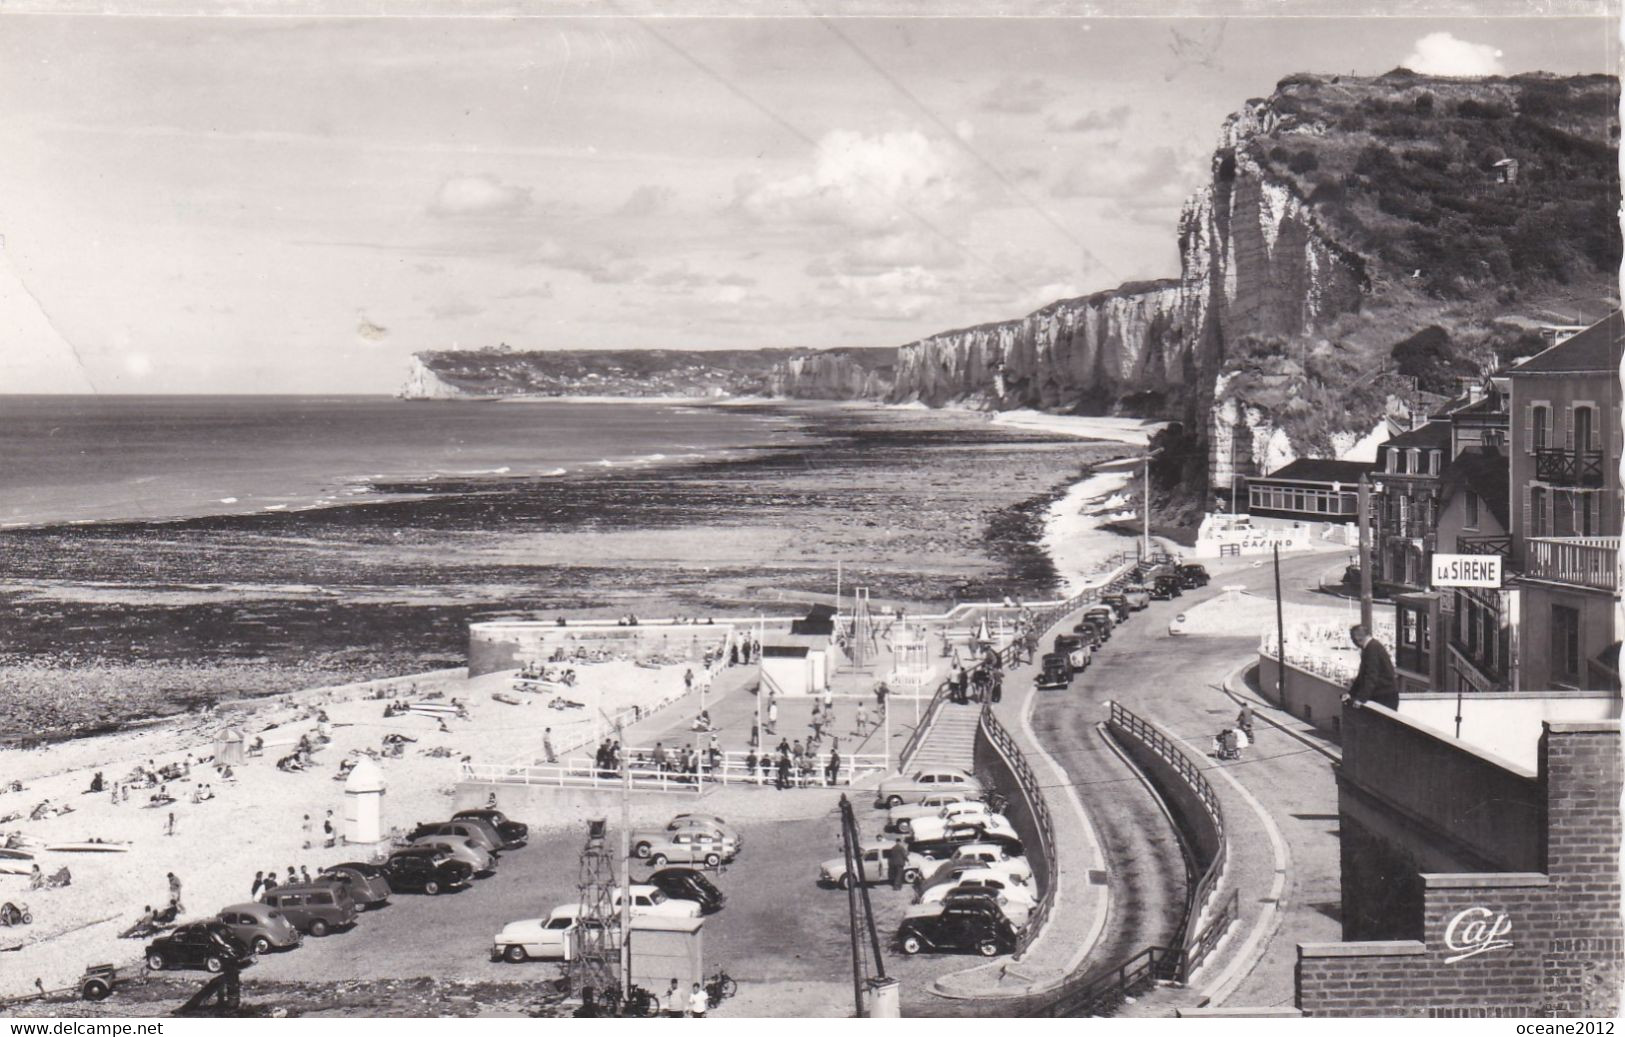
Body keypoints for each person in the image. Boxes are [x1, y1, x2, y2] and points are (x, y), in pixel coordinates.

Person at [1345, 624, 1398, 710]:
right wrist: (1351, 693)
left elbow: (1371, 676)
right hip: (1386, 694)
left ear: (1357, 637)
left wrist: (1361, 699)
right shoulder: (1372, 646)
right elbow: (1362, 675)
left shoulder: (1371, 649)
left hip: (1384, 697)